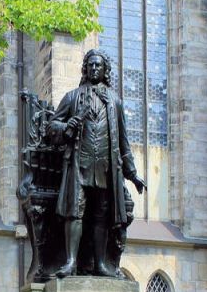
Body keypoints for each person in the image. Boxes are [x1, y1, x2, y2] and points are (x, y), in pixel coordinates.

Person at [47, 50, 146, 278]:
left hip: (105, 168)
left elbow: (123, 142)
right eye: (90, 65)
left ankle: (101, 264)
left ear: (104, 70)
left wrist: (132, 174)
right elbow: (52, 127)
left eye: (98, 66)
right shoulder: (73, 97)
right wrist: (66, 126)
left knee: (102, 215)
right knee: (75, 211)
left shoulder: (115, 102)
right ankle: (71, 262)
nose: (93, 69)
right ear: (85, 68)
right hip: (79, 167)